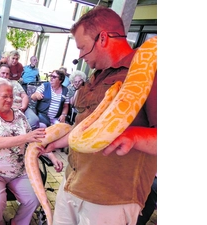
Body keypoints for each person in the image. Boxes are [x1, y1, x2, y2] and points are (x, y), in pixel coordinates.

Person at [38, 6, 157, 225]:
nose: (80, 56)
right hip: (73, 182)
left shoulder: (150, 72)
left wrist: (132, 137)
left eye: (83, 48)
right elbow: (84, 128)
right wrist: (55, 144)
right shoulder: (97, 75)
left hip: (109, 200)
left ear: (103, 38)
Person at [0, 77, 46, 225]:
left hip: (19, 171)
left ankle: (17, 222)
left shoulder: (19, 115)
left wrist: (51, 155)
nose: (10, 99)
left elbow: (34, 139)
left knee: (35, 198)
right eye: (5, 96)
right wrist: (26, 137)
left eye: (11, 96)